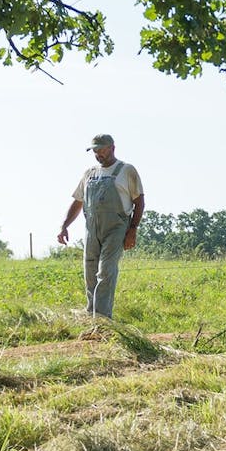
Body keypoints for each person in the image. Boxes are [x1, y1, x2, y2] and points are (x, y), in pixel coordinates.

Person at [57, 134, 144, 319]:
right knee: (90, 270)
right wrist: (64, 226)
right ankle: (91, 316)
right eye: (95, 151)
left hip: (116, 227)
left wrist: (132, 230)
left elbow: (139, 201)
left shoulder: (126, 170)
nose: (98, 154)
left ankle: (103, 320)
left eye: (101, 150)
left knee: (106, 271)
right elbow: (78, 201)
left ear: (112, 148)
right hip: (92, 228)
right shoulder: (89, 173)